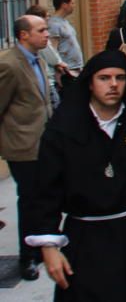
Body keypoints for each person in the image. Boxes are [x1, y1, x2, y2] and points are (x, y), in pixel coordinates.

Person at [26, 50, 126, 300]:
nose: (113, 84)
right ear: (90, 82)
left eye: (120, 78)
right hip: (85, 235)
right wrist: (48, 245)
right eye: (104, 78)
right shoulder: (64, 129)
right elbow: (45, 190)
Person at [0, 15, 54, 280]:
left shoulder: (38, 58)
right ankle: (27, 258)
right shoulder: (9, 65)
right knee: (31, 200)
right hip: (22, 145)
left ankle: (43, 246)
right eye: (41, 30)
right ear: (24, 35)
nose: (47, 34)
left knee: (45, 197)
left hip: (44, 142)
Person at [47, 0, 84, 82]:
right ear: (64, 5)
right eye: (72, 3)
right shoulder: (54, 24)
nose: (74, 6)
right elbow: (53, 49)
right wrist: (59, 69)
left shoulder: (64, 22)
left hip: (75, 68)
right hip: (67, 70)